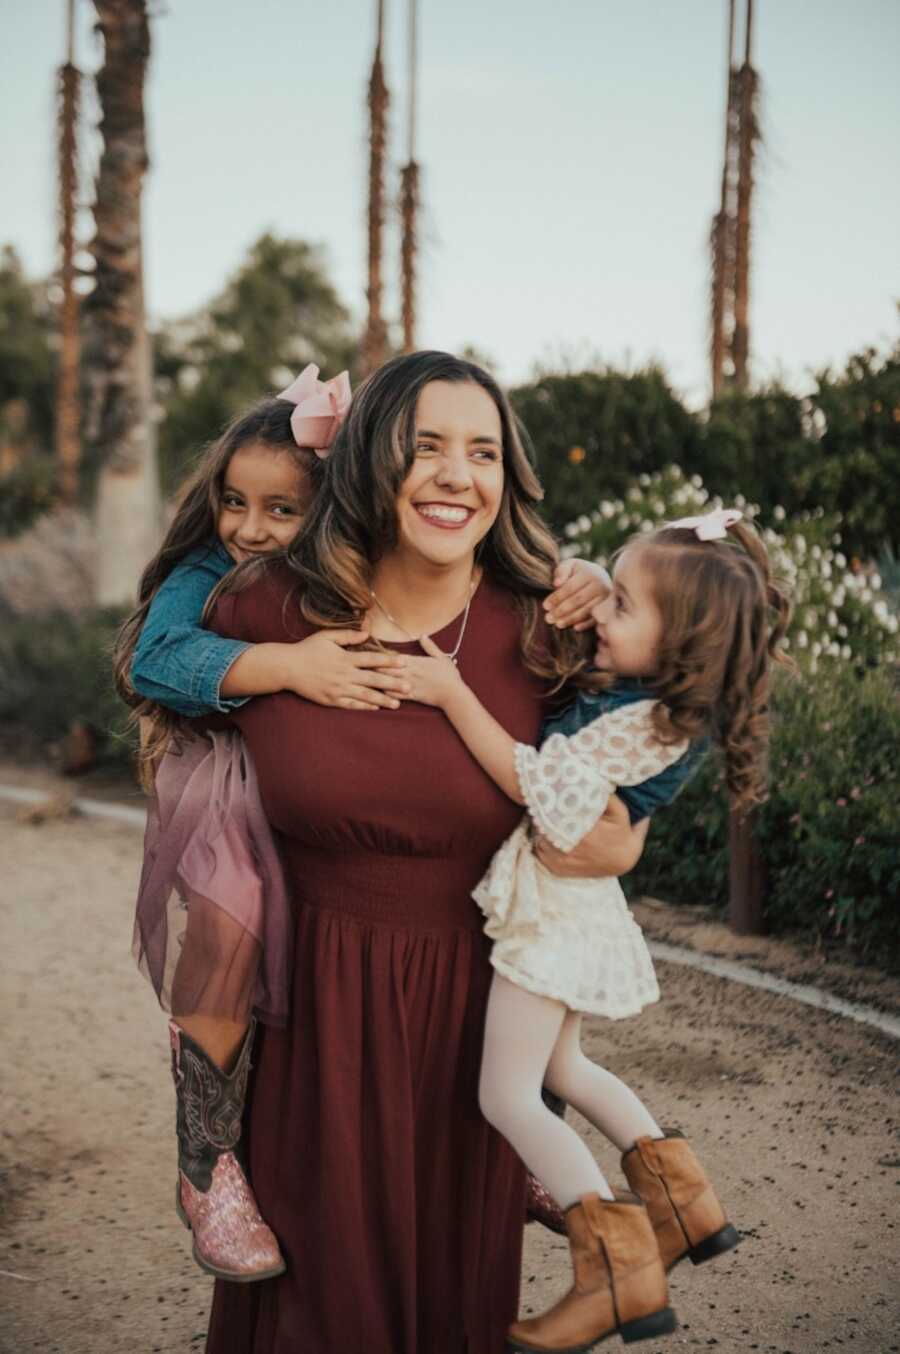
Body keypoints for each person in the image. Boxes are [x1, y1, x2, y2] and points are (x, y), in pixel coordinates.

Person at [112, 360, 613, 1289]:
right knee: (223, 932)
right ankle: (206, 1160)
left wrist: (593, 580)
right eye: (424, 448)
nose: (252, 532)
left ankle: (538, 1126)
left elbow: (620, 740)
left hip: (473, 972)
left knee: (547, 908)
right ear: (376, 471)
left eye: (482, 451)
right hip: (277, 899)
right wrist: (287, 667)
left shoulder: (538, 619)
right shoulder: (227, 589)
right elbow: (154, 659)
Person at [398, 507, 791, 1352]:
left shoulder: (644, 727)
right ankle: (685, 1206)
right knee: (565, 1067)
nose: (603, 616)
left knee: (506, 1093)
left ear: (681, 641)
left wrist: (449, 691)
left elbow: (532, 781)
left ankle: (614, 1272)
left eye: (622, 606)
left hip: (554, 914)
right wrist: (583, 580)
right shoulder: (648, 703)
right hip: (567, 909)